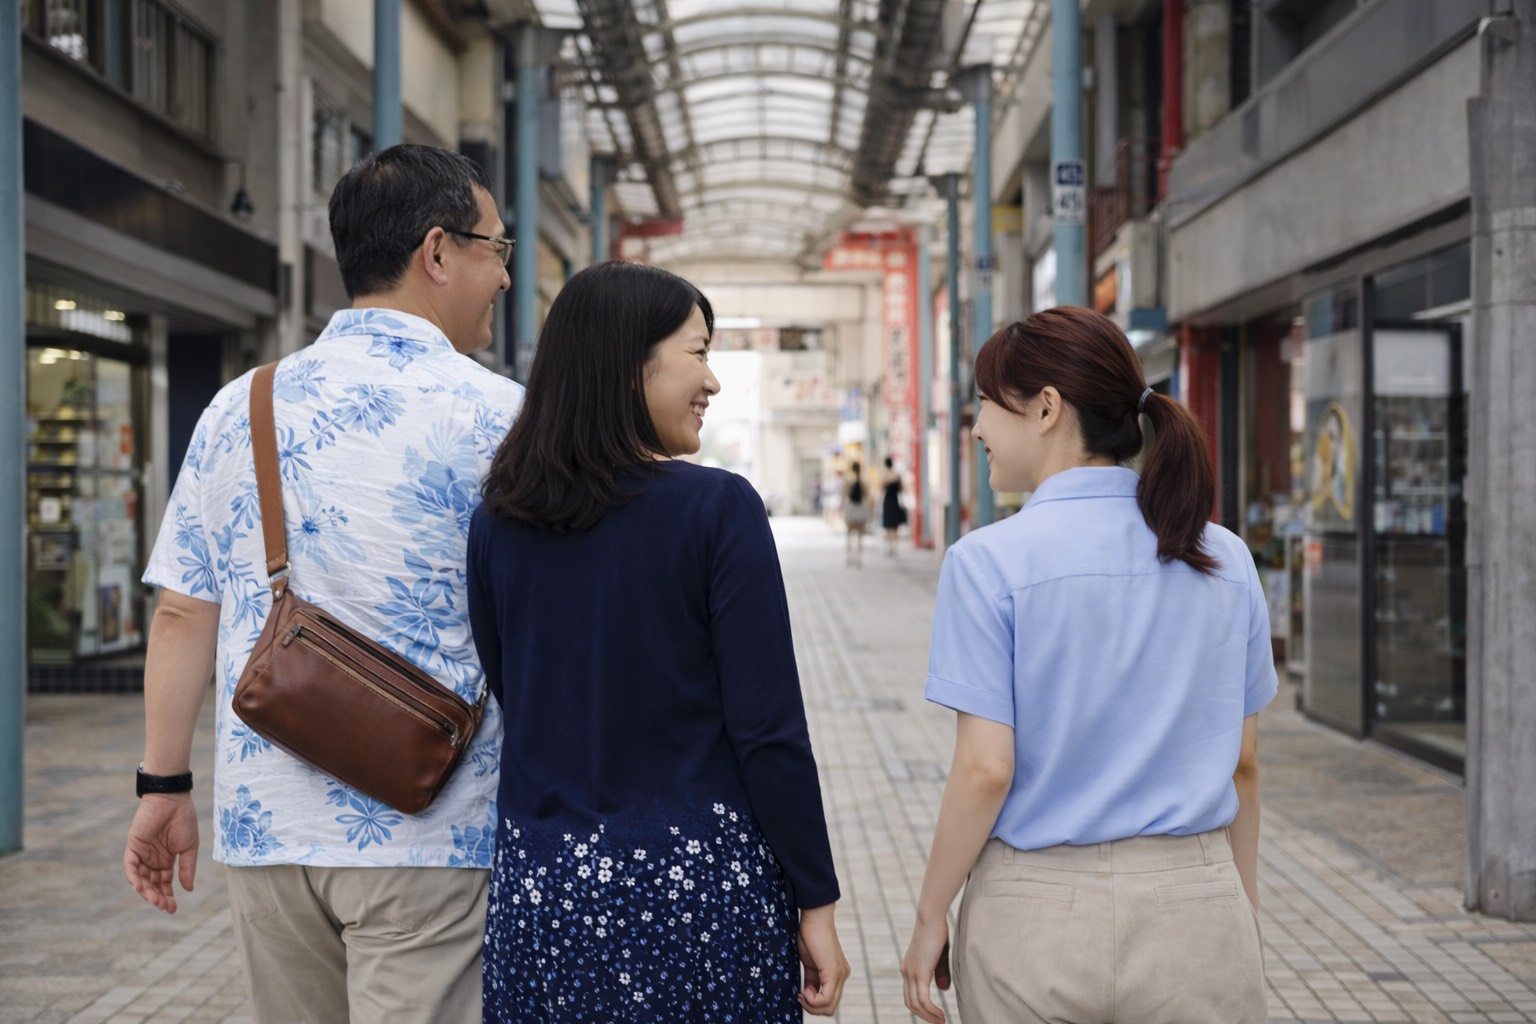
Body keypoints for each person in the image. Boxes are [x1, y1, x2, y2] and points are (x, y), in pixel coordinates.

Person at [124, 144, 524, 1024]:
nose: (504, 274)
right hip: (436, 825)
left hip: (269, 826)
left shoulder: (241, 405)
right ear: (437, 251)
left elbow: (183, 612)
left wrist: (164, 789)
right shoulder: (501, 416)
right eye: (498, 247)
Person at [466, 261, 850, 1023]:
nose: (712, 381)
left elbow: (517, 689)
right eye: (699, 351)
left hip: (549, 899)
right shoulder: (718, 509)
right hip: (699, 899)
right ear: (628, 360)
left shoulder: (499, 522)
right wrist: (817, 898)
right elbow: (768, 730)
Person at [900, 307, 1275, 1024]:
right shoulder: (1223, 556)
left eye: (985, 402)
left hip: (1034, 919)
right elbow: (1244, 763)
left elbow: (986, 770)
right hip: (1196, 911)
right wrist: (1241, 907)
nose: (976, 426)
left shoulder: (987, 563)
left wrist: (929, 915)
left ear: (1045, 408)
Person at [841, 461, 870, 566]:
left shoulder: (848, 481)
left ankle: (849, 557)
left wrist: (841, 508)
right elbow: (867, 496)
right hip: (861, 509)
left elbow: (843, 495)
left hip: (850, 508)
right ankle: (859, 559)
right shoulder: (863, 482)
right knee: (860, 536)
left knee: (849, 534)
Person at [880, 456, 906, 556]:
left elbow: (881, 489)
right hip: (895, 501)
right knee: (895, 525)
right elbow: (902, 489)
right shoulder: (897, 476)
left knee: (888, 525)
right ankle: (894, 546)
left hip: (888, 501)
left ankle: (889, 546)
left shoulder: (885, 476)